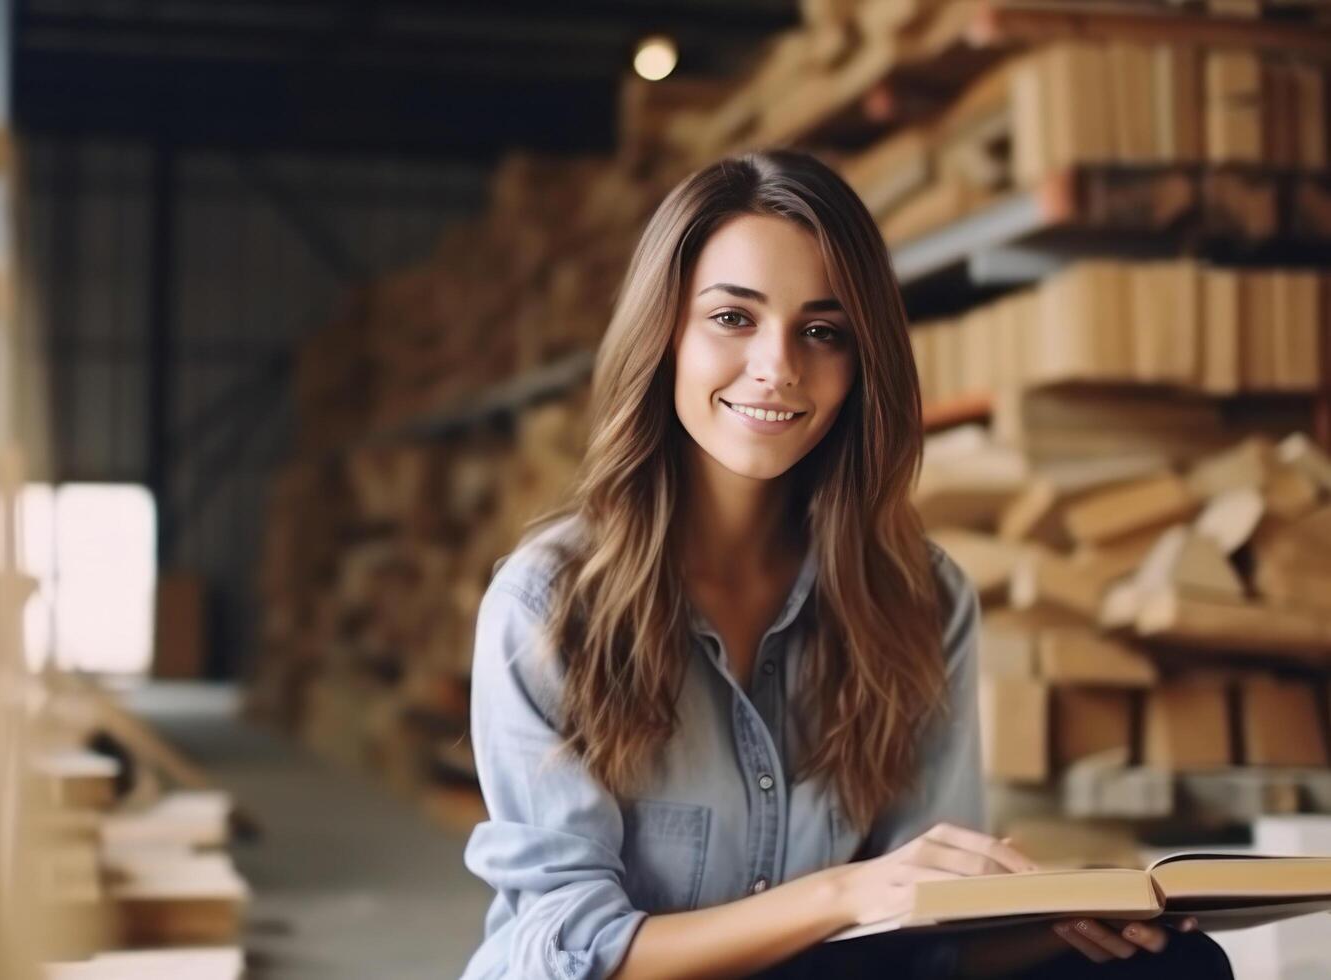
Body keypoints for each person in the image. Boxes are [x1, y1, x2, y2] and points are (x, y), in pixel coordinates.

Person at [456, 151, 1233, 980]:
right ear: (663, 336)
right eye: (732, 318)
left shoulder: (919, 597)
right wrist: (841, 895)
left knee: (1169, 964)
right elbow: (567, 953)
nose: (778, 365)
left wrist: (1076, 919)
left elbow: (918, 934)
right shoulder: (549, 602)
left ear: (861, 365)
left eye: (822, 332)